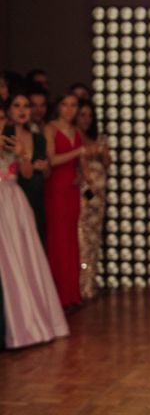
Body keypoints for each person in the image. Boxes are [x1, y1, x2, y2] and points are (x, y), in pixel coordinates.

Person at [0, 104, 69, 348]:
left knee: (24, 260)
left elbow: (28, 174)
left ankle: (28, 323)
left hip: (14, 203)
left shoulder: (13, 144)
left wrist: (21, 154)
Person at [44, 93, 86, 308]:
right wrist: (78, 151)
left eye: (73, 105)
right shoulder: (50, 128)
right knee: (57, 239)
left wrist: (80, 174)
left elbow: (80, 164)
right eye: (65, 105)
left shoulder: (77, 131)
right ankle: (57, 295)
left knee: (71, 239)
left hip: (72, 189)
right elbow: (51, 159)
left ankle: (71, 294)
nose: (69, 109)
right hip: (56, 188)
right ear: (58, 106)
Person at [6, 93, 50, 247]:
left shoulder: (38, 138)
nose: (22, 110)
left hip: (35, 198)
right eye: (17, 105)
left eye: (26, 106)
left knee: (33, 244)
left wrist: (44, 168)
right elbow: (23, 172)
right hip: (10, 199)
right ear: (8, 110)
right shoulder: (5, 136)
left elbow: (46, 173)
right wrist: (23, 157)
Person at [76, 99, 109, 300]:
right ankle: (80, 285)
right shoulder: (75, 139)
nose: (86, 119)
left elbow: (107, 163)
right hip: (83, 194)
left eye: (89, 115)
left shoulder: (97, 139)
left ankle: (90, 283)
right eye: (83, 115)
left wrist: (102, 152)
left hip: (99, 195)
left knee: (94, 240)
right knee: (82, 239)